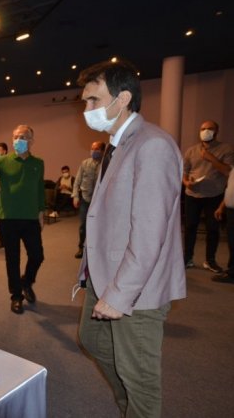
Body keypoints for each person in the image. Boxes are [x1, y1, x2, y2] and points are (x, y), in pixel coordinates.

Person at [76, 60, 186, 417]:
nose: (87, 108)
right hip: (105, 273)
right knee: (92, 339)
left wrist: (120, 294)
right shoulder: (117, 144)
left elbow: (150, 232)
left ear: (122, 99)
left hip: (136, 286)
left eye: (94, 100)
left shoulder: (152, 145)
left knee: (138, 374)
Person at [0, 125, 45, 315]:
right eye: (15, 137)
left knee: (37, 255)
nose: (18, 140)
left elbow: (39, 189)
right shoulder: (2, 161)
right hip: (8, 218)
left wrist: (41, 213)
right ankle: (16, 296)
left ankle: (26, 282)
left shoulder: (38, 163)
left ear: (31, 141)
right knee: (12, 259)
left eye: (22, 137)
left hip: (30, 218)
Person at [182, 120, 234, 272]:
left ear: (216, 131)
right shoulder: (191, 150)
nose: (205, 131)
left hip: (214, 195)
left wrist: (211, 158)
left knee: (212, 229)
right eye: (203, 129)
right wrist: (186, 182)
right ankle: (187, 257)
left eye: (209, 129)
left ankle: (210, 260)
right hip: (192, 194)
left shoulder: (226, 149)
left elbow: (228, 171)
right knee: (190, 227)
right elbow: (184, 172)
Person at [72, 141, 105, 258]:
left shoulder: (106, 164)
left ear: (102, 151)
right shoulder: (85, 163)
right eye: (92, 148)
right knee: (83, 225)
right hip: (85, 199)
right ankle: (81, 248)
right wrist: (75, 196)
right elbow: (77, 181)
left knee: (98, 225)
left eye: (97, 149)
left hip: (99, 200)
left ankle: (96, 249)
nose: (93, 151)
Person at [212, 167, 234, 283]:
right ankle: (232, 271)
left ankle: (232, 273)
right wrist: (221, 207)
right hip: (231, 209)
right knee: (232, 242)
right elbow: (230, 189)